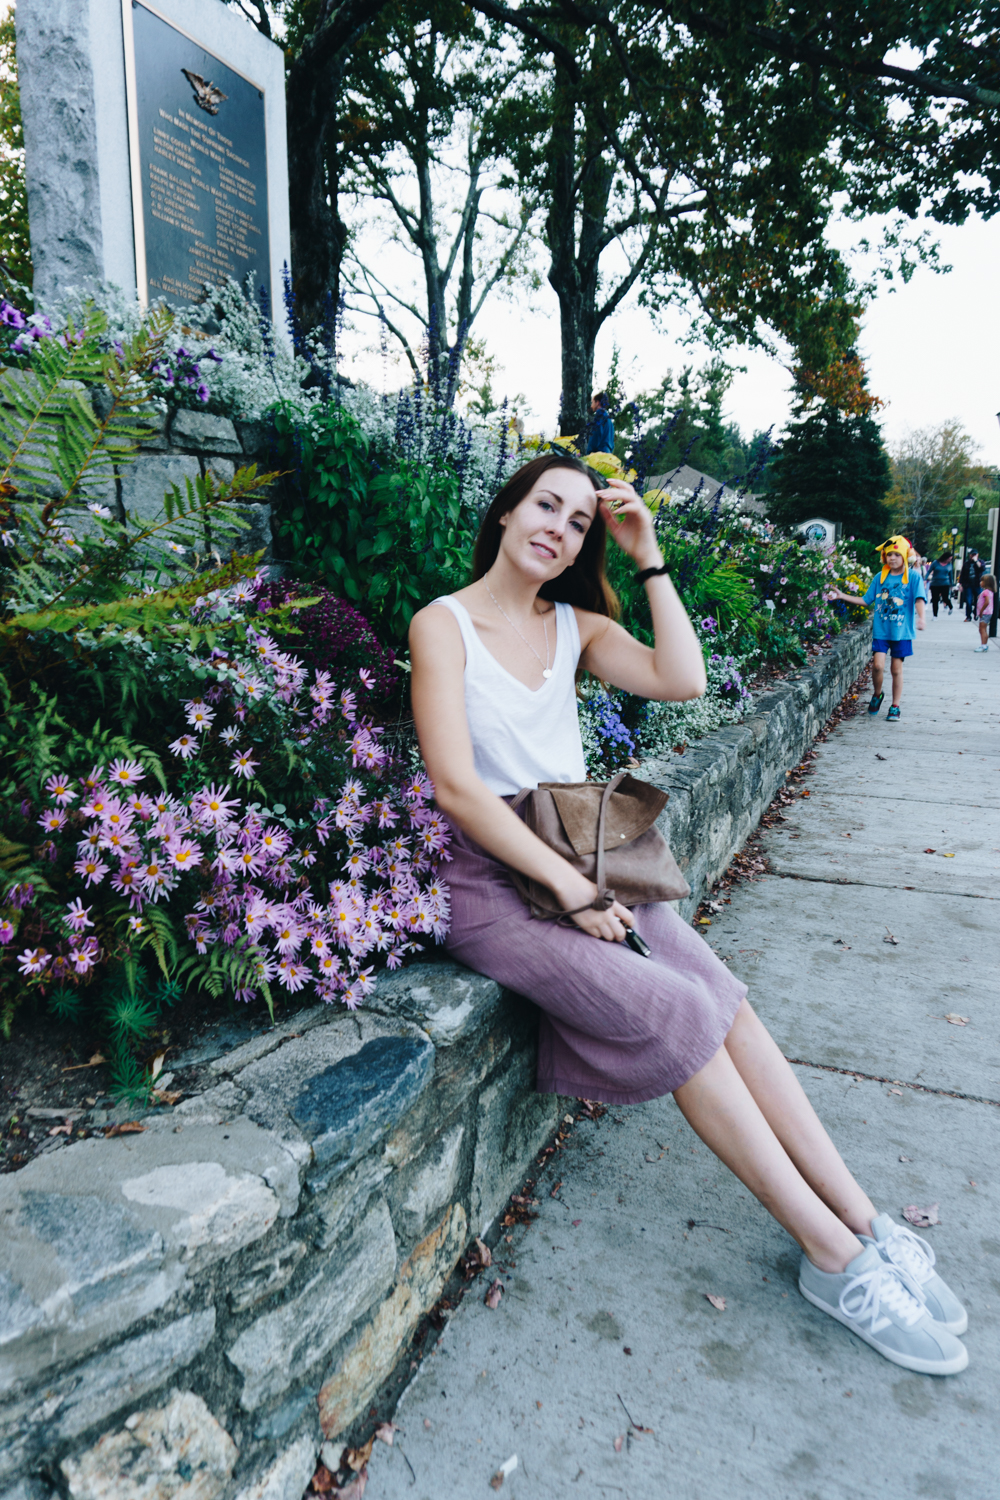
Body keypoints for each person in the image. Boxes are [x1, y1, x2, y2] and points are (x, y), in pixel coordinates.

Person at [409, 454, 968, 1375]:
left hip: (581, 846)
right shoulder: (445, 625)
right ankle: (834, 1263)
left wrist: (650, 554)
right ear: (507, 511)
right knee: (675, 1013)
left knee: (725, 998)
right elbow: (459, 792)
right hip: (494, 882)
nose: (559, 526)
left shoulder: (575, 625)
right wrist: (576, 894)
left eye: (580, 521)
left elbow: (683, 680)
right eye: (545, 505)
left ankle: (863, 1223)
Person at [826, 535, 926, 722]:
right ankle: (877, 694)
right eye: (889, 554)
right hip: (882, 631)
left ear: (905, 555)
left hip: (902, 633)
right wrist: (842, 596)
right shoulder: (880, 577)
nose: (893, 558)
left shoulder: (913, 577)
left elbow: (920, 598)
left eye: (897, 554)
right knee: (878, 666)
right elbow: (865, 600)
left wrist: (922, 618)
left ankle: (895, 706)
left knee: (896, 670)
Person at [926, 552, 955, 617]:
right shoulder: (935, 563)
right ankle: (935, 615)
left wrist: (951, 584)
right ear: (945, 557)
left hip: (945, 584)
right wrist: (925, 579)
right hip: (935, 584)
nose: (950, 560)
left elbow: (951, 576)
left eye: (951, 559)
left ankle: (950, 606)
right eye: (949, 559)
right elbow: (929, 571)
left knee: (945, 598)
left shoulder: (949, 565)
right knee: (935, 600)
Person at [959, 549, 983, 621]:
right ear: (970, 555)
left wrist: (976, 561)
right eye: (972, 554)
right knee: (968, 601)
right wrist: (960, 584)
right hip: (968, 585)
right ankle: (968, 616)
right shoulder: (966, 564)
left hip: (977, 584)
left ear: (977, 555)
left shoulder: (980, 562)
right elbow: (962, 574)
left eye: (975, 554)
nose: (973, 556)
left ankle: (976, 614)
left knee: (978, 601)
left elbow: (982, 568)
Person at [975, 573, 995, 652]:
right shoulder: (989, 592)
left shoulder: (986, 592)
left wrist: (981, 611)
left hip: (985, 613)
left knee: (982, 629)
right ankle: (985, 645)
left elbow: (986, 602)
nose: (980, 583)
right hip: (988, 612)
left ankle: (983, 645)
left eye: (982, 581)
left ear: (986, 583)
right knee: (984, 629)